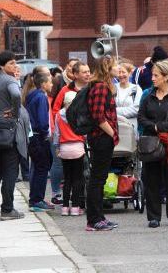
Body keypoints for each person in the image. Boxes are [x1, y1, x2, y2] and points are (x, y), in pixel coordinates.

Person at [138, 60, 168, 228]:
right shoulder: (148, 95)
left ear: (166, 77)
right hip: (151, 143)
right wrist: (155, 127)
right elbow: (141, 118)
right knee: (152, 179)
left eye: (156, 75)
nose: (152, 78)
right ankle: (153, 216)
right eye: (152, 75)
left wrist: (161, 127)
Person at [0, 51, 26, 221]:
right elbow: (16, 95)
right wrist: (15, 112)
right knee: (10, 171)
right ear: (2, 66)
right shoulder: (10, 81)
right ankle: (7, 209)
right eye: (11, 63)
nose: (15, 66)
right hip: (10, 132)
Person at [85, 57, 119, 231]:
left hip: (102, 138)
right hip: (101, 138)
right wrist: (113, 134)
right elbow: (98, 117)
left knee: (100, 178)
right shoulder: (100, 87)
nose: (118, 68)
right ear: (107, 68)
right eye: (115, 65)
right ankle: (94, 219)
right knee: (97, 179)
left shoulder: (103, 86)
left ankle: (99, 217)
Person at [53, 91, 86, 216]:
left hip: (64, 148)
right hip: (77, 147)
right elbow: (84, 132)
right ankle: (76, 207)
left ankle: (65, 207)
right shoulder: (79, 115)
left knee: (67, 179)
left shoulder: (58, 115)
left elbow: (56, 133)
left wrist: (57, 147)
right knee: (77, 178)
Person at [26, 73, 54, 212]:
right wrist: (46, 134)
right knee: (42, 168)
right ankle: (37, 200)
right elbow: (43, 120)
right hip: (39, 136)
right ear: (43, 84)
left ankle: (35, 199)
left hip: (32, 136)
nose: (52, 84)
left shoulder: (31, 95)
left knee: (37, 167)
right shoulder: (42, 97)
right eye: (50, 82)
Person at [115, 62, 142, 132]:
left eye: (123, 72)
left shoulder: (136, 89)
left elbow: (136, 109)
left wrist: (115, 110)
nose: (121, 75)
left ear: (130, 73)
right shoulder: (113, 88)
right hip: (115, 126)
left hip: (131, 126)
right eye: (119, 72)